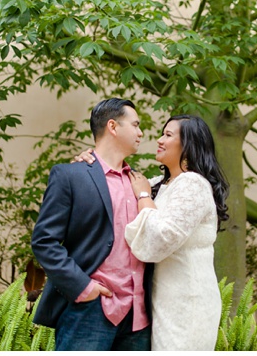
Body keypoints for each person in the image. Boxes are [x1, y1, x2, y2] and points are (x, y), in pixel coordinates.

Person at [74, 114, 229, 351]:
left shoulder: (193, 185)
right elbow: (113, 179)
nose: (159, 139)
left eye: (168, 135)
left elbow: (158, 241)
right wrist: (89, 159)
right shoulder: (161, 184)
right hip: (161, 301)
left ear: (188, 144)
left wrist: (144, 196)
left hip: (189, 302)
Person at [31, 98, 152, 351]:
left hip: (139, 315)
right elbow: (44, 241)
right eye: (136, 124)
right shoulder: (71, 175)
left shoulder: (142, 184)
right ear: (113, 126)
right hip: (89, 310)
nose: (141, 133)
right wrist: (83, 288)